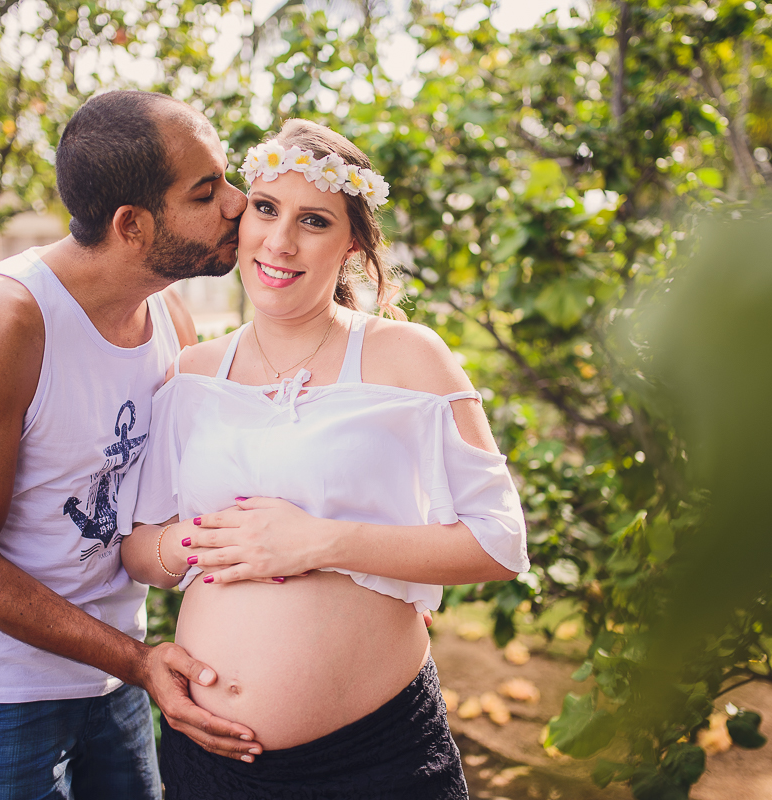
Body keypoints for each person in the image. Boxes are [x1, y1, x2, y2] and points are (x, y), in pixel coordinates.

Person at [125, 119, 530, 799]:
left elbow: (500, 542)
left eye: (313, 220)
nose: (280, 241)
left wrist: (320, 542)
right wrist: (207, 540)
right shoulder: (193, 373)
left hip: (375, 761)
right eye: (265, 209)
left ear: (352, 244)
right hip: (209, 758)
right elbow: (140, 551)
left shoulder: (408, 358)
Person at [0, 90, 265, 800]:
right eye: (205, 191)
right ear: (132, 225)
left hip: (115, 675)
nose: (238, 203)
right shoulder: (2, 322)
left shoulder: (169, 317)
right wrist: (137, 660)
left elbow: (163, 510)